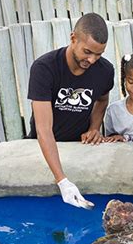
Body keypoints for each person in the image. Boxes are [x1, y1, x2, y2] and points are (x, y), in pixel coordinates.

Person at [27, 13, 114, 209]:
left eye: (98, 54)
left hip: (79, 145)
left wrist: (94, 127)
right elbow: (44, 129)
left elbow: (103, 99)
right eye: (87, 52)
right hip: (41, 146)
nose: (92, 60)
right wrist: (62, 181)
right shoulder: (44, 68)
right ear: (73, 38)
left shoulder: (105, 71)